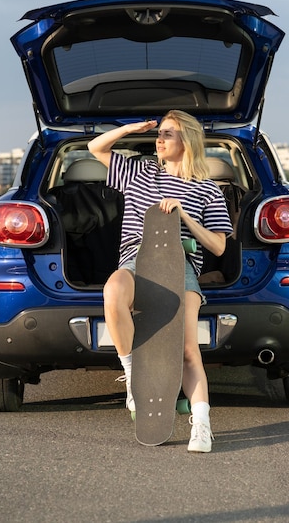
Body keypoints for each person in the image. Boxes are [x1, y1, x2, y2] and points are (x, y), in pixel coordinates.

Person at [88, 110, 232, 452]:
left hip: (179, 267)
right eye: (160, 133)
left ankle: (201, 423)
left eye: (169, 133)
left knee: (185, 350)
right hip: (136, 262)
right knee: (113, 292)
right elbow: (96, 147)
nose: (160, 138)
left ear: (189, 141)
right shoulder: (138, 173)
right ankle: (133, 375)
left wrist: (183, 215)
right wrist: (131, 128)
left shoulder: (208, 191)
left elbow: (218, 245)